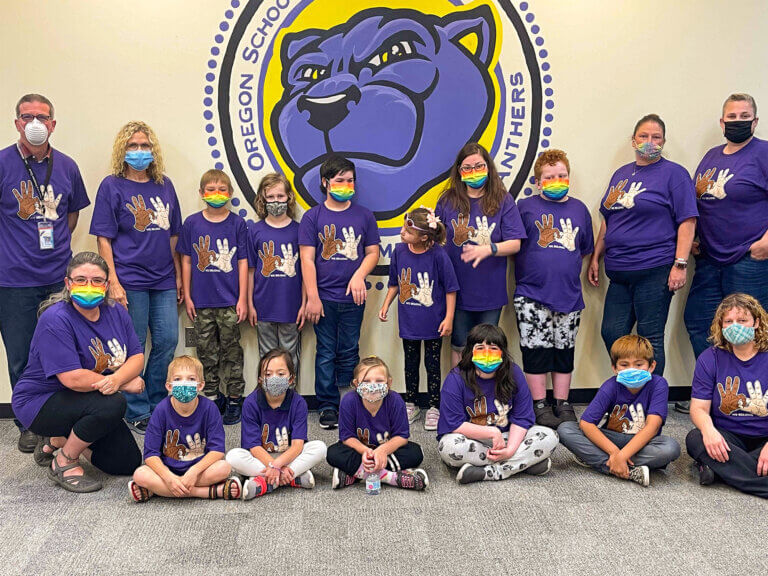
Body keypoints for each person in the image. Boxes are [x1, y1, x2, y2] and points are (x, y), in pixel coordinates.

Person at [11, 252, 144, 493]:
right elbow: (72, 378)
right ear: (68, 283)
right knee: (114, 403)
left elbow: (137, 357)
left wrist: (116, 379)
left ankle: (59, 439)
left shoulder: (116, 312)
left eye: (97, 280)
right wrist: (121, 383)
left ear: (106, 285)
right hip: (41, 401)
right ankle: (65, 460)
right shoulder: (55, 319)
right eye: (81, 279)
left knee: (127, 462)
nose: (89, 286)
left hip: (87, 397)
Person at [2, 94, 90, 452]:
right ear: (17, 123)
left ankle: (58, 420)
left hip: (57, 277)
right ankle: (28, 424)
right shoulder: (3, 163)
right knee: (21, 356)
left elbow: (72, 214)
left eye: (42, 116)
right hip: (14, 281)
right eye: (27, 116)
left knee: (62, 353)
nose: (35, 123)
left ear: (53, 124)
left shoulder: (67, 166)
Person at [90, 120, 183, 434]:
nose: (139, 151)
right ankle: (136, 408)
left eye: (144, 145)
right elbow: (104, 238)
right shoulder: (111, 186)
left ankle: (157, 402)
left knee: (167, 341)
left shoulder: (164, 185)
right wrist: (112, 282)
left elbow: (173, 234)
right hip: (129, 279)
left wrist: (177, 275)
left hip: (163, 279)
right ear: (123, 150)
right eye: (133, 146)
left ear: (153, 150)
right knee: (134, 346)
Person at [589, 114, 697, 377]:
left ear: (663, 142)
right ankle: (629, 387)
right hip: (619, 271)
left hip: (654, 268)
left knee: (650, 338)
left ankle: (653, 395)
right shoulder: (620, 174)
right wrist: (595, 257)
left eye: (656, 137)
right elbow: (609, 219)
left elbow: (688, 220)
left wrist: (680, 264)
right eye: (644, 136)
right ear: (633, 140)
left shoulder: (675, 174)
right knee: (612, 333)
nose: (650, 141)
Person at [681, 93, 768, 413]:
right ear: (722, 122)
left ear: (755, 121)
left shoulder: (763, 153)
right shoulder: (711, 157)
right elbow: (698, 202)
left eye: (744, 116)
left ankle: (752, 398)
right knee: (699, 322)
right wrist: (694, 238)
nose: (737, 122)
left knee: (751, 329)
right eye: (732, 117)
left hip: (748, 259)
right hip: (709, 258)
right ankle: (716, 392)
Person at [298, 155, 380, 429]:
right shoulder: (313, 217)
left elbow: (372, 252)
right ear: (326, 182)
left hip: (354, 298)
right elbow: (307, 259)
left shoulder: (364, 215)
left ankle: (348, 401)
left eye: (350, 180)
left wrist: (359, 275)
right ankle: (327, 405)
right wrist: (312, 297)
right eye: (340, 180)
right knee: (325, 352)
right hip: (323, 299)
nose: (346, 185)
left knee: (349, 349)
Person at [514, 149, 594, 428]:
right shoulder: (524, 207)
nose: (556, 180)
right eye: (549, 177)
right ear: (538, 182)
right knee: (535, 350)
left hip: (569, 296)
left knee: (564, 351)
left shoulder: (579, 209)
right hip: (532, 294)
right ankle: (539, 403)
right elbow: (514, 246)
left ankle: (562, 402)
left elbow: (584, 249)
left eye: (562, 175)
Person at [435, 142, 525, 367]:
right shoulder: (447, 201)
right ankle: (459, 387)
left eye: (479, 166)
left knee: (487, 349)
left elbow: (515, 243)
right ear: (459, 171)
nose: (473, 172)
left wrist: (489, 248)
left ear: (488, 167)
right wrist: (428, 225)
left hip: (490, 291)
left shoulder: (503, 200)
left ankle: (484, 388)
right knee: (459, 345)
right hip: (456, 289)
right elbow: (436, 241)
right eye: (467, 167)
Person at [436, 323, 559, 484]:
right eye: (480, 348)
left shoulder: (514, 373)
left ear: (502, 352)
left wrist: (510, 450)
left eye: (493, 348)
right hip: (472, 440)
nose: (487, 353)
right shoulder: (455, 378)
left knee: (550, 436)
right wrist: (493, 433)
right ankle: (523, 463)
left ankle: (489, 472)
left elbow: (522, 419)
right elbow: (454, 424)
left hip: (509, 438)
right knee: (449, 447)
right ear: (470, 351)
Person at [557, 335, 680, 487]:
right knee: (565, 429)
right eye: (624, 364)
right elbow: (586, 423)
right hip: (611, 440)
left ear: (651, 366)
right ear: (614, 368)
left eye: (639, 364)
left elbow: (652, 427)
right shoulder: (610, 386)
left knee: (670, 447)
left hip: (643, 443)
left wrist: (622, 455)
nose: (632, 369)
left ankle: (599, 461)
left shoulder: (658, 384)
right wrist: (615, 452)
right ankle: (628, 469)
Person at [177, 169, 248, 425]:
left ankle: (234, 398)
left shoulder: (237, 224)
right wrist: (188, 296)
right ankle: (211, 395)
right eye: (211, 190)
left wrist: (242, 299)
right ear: (201, 193)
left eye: (222, 190)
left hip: (230, 302)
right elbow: (186, 260)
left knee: (231, 352)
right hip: (201, 302)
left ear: (230, 193)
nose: (216, 194)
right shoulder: (191, 223)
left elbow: (243, 262)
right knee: (205, 351)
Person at [378, 206, 458, 431]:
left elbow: (451, 289)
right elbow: (394, 283)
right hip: (409, 322)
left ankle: (434, 407)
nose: (402, 233)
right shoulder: (399, 251)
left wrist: (449, 318)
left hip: (433, 323)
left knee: (432, 365)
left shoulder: (439, 255)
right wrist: (385, 305)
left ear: (424, 237)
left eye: (408, 231)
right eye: (403, 228)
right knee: (410, 364)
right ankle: (411, 404)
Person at [686, 294, 768, 498]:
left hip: (765, 437)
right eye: (728, 321)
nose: (735, 326)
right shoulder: (710, 357)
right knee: (695, 438)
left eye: (742, 320)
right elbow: (698, 408)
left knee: (711, 454)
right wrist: (709, 431)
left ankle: (721, 470)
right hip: (727, 436)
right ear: (721, 326)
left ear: (756, 322)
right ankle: (753, 474)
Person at [129, 355, 241, 501]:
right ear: (169, 386)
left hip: (199, 470)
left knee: (224, 468)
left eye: (191, 379)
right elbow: (150, 454)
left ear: (200, 385)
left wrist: (193, 472)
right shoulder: (161, 410)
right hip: (168, 470)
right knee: (140, 474)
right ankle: (209, 492)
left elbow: (217, 451)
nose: (184, 384)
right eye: (178, 379)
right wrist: (169, 478)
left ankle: (158, 491)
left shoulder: (210, 408)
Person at [226, 349, 327, 499]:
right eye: (268, 374)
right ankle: (292, 477)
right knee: (233, 457)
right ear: (260, 379)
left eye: (280, 374)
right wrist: (274, 466)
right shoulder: (250, 403)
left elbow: (297, 445)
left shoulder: (298, 402)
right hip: (261, 459)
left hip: (289, 457)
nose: (274, 378)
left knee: (320, 448)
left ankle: (265, 482)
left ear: (291, 379)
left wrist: (277, 465)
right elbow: (254, 447)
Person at [326, 356, 428, 491]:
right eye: (366, 381)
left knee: (415, 453)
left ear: (389, 383)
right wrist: (365, 451)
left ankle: (357, 474)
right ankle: (390, 477)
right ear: (356, 384)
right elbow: (347, 437)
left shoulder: (395, 400)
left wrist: (382, 451)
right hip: (359, 451)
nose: (373, 386)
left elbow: (402, 437)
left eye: (379, 381)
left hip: (388, 451)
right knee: (333, 453)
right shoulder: (348, 401)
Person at [247, 173, 305, 373]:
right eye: (270, 197)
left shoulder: (300, 230)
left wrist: (304, 304)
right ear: (262, 199)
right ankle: (267, 392)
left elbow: (307, 273)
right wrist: (250, 304)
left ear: (289, 197)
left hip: (292, 307)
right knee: (267, 359)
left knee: (289, 359)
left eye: (280, 196)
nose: (276, 201)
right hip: (263, 307)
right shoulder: (254, 231)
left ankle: (289, 392)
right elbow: (250, 271)